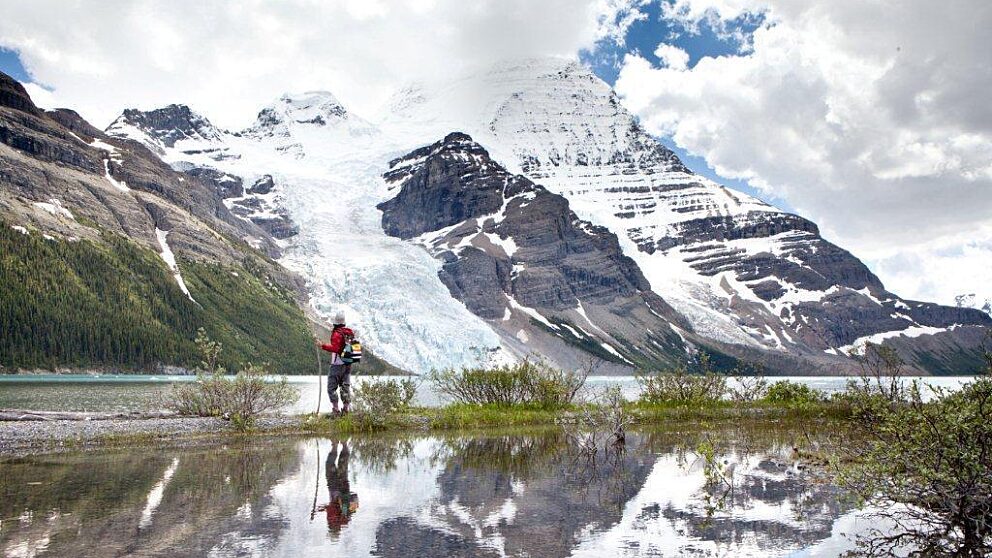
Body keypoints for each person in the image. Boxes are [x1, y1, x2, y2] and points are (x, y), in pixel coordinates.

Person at [318, 440, 358, 538]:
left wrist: (323, 509)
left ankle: (343, 444)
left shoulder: (343, 520)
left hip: (342, 487)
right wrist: (324, 508)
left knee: (342, 465)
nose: (330, 528)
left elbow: (333, 507)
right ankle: (336, 445)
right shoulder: (336, 520)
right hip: (335, 487)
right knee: (330, 464)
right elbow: (335, 507)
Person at [319, 310, 354, 415]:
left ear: (335, 322)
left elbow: (335, 348)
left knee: (331, 387)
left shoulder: (336, 334)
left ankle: (336, 410)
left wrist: (322, 345)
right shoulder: (349, 332)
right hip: (348, 365)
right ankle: (346, 409)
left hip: (336, 365)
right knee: (345, 387)